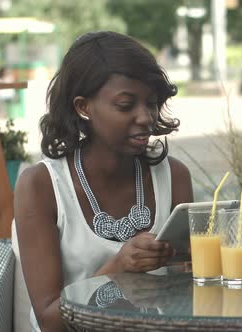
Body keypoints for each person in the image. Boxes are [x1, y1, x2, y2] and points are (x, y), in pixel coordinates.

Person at [13, 31, 194, 331]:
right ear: (83, 107)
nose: (146, 117)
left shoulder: (174, 177)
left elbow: (188, 297)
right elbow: (50, 320)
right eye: (126, 105)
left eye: (151, 102)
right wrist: (118, 267)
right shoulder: (42, 187)